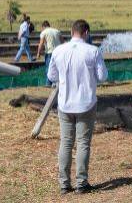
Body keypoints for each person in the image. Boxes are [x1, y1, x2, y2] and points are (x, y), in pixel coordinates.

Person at [48, 19, 107, 194]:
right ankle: (81, 183)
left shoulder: (59, 51)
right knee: (83, 143)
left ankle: (64, 184)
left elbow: (51, 76)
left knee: (66, 142)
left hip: (65, 103)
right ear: (86, 33)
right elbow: (102, 76)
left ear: (72, 31)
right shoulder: (93, 51)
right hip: (86, 103)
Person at [36, 21, 61, 86]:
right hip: (58, 52)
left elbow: (41, 44)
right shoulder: (57, 31)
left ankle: (48, 85)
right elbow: (62, 41)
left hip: (50, 53)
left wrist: (38, 53)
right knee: (58, 69)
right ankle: (58, 84)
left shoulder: (44, 32)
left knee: (49, 69)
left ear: (43, 27)